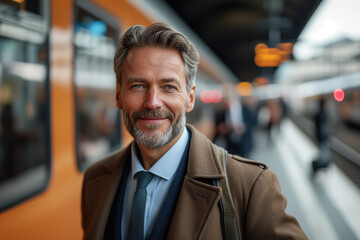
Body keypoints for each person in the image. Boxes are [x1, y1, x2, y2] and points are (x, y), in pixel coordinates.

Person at [81, 22, 307, 240]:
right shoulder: (95, 180)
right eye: (138, 85)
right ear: (119, 96)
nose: (152, 102)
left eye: (169, 87)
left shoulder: (251, 186)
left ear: (190, 99)